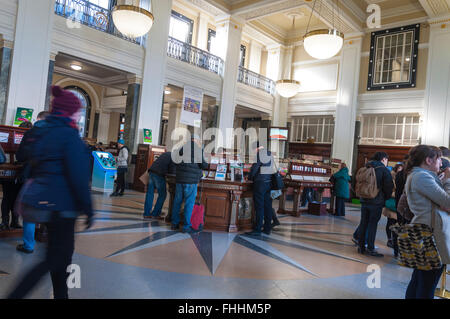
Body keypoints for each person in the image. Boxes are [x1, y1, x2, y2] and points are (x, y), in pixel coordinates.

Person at [7, 86, 94, 299]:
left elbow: (31, 161)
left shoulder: (44, 131)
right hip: (62, 206)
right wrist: (88, 208)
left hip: (44, 202)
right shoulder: (69, 135)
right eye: (78, 111)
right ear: (70, 112)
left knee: (60, 259)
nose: (79, 115)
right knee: (55, 259)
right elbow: (78, 176)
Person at [404, 145, 450, 299]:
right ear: (428, 160)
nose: (441, 164)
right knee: (427, 284)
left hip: (426, 232)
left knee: (419, 280)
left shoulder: (419, 175)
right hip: (431, 235)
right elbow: (447, 201)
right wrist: (448, 181)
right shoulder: (422, 177)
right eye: (438, 160)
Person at [15, 111, 50, 254]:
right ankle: (48, 240)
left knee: (29, 212)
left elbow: (21, 155)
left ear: (38, 119)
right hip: (52, 179)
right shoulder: (57, 134)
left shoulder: (31, 133)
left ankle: (29, 245)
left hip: (34, 177)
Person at [356, 152, 394, 257]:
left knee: (363, 223)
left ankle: (361, 246)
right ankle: (370, 248)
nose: (387, 162)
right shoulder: (383, 170)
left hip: (364, 199)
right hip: (376, 201)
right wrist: (385, 198)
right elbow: (388, 187)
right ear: (383, 159)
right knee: (372, 225)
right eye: (387, 160)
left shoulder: (365, 167)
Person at [171, 134, 207, 233]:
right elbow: (204, 165)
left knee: (177, 202)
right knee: (189, 203)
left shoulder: (181, 148)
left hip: (179, 180)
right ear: (197, 141)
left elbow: (174, 162)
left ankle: (174, 224)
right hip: (191, 181)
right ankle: (186, 226)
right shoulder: (198, 150)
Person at [246, 141, 276, 236]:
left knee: (259, 206)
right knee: (267, 206)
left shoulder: (260, 154)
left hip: (260, 183)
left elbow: (255, 167)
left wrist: (249, 177)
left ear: (257, 148)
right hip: (269, 182)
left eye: (254, 149)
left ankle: (258, 228)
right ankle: (267, 228)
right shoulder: (269, 153)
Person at [143, 151, 175, 219]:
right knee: (163, 195)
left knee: (150, 193)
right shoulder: (175, 157)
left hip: (151, 172)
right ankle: (155, 213)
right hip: (159, 174)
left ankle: (146, 213)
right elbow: (172, 171)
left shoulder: (168, 153)